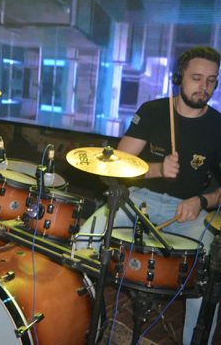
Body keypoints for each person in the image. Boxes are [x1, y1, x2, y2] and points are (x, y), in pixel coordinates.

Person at [78, 46, 221, 344]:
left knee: (210, 273)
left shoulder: (217, 126)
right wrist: (157, 169)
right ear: (179, 78)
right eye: (196, 78)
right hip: (139, 199)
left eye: (211, 80)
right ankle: (85, 320)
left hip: (187, 210)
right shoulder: (153, 111)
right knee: (83, 242)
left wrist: (201, 201)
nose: (204, 87)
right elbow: (117, 165)